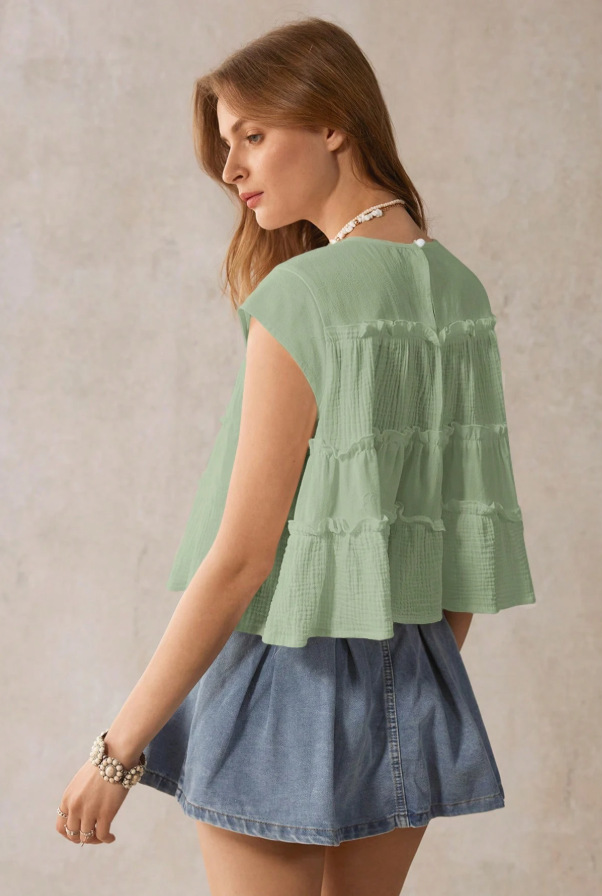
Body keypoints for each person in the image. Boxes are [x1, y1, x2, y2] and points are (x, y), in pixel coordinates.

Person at [54, 15, 536, 896]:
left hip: (283, 676)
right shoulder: (460, 293)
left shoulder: (305, 295)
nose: (230, 167)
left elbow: (242, 560)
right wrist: (409, 689)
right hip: (416, 674)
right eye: (226, 143)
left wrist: (114, 753)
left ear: (333, 123)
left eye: (252, 135)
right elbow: (464, 548)